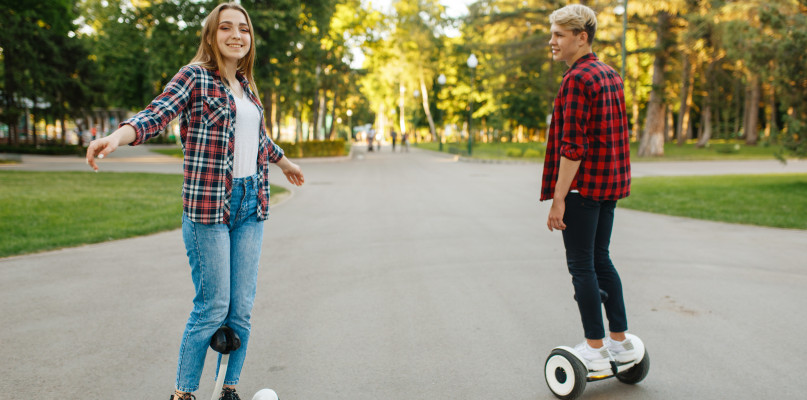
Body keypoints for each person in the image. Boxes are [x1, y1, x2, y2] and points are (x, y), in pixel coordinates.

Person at [85, 3, 305, 399]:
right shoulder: (195, 77)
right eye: (226, 28)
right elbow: (157, 113)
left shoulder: (248, 87)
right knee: (212, 306)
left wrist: (284, 162)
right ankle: (183, 394)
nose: (237, 34)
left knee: (240, 311)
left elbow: (257, 137)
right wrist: (116, 137)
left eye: (244, 29)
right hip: (207, 208)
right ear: (211, 36)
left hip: (250, 205)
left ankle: (228, 389)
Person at [540, 4, 634, 371]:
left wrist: (559, 198)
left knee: (582, 266)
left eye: (559, 35)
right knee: (601, 260)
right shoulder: (610, 75)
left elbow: (573, 147)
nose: (552, 41)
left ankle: (594, 347)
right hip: (608, 187)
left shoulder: (577, 80)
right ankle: (620, 342)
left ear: (582, 38)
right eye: (552, 34)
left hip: (582, 190)